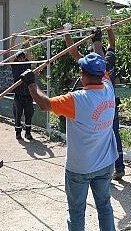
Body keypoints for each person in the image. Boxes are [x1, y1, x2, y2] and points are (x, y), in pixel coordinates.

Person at [20, 27, 118, 231]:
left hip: (79, 168)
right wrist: (97, 41)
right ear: (102, 73)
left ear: (82, 75)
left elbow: (44, 104)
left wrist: (31, 83)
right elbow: (99, 60)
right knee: (105, 208)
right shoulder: (108, 89)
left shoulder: (76, 100)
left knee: (76, 212)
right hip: (106, 163)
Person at [64, 19, 126, 181]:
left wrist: (67, 33)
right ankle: (118, 168)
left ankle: (100, 169)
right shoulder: (109, 60)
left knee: (97, 136)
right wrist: (109, 27)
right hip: (110, 105)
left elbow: (73, 52)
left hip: (95, 105)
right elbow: (112, 43)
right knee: (114, 135)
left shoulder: (93, 68)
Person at [10, 38, 35, 140]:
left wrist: (27, 41)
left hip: (28, 95)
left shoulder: (27, 64)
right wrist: (13, 40)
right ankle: (18, 133)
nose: (21, 58)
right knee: (18, 116)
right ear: (16, 58)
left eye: (23, 56)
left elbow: (29, 52)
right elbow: (11, 53)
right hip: (18, 95)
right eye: (19, 57)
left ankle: (28, 133)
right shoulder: (14, 65)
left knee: (29, 115)